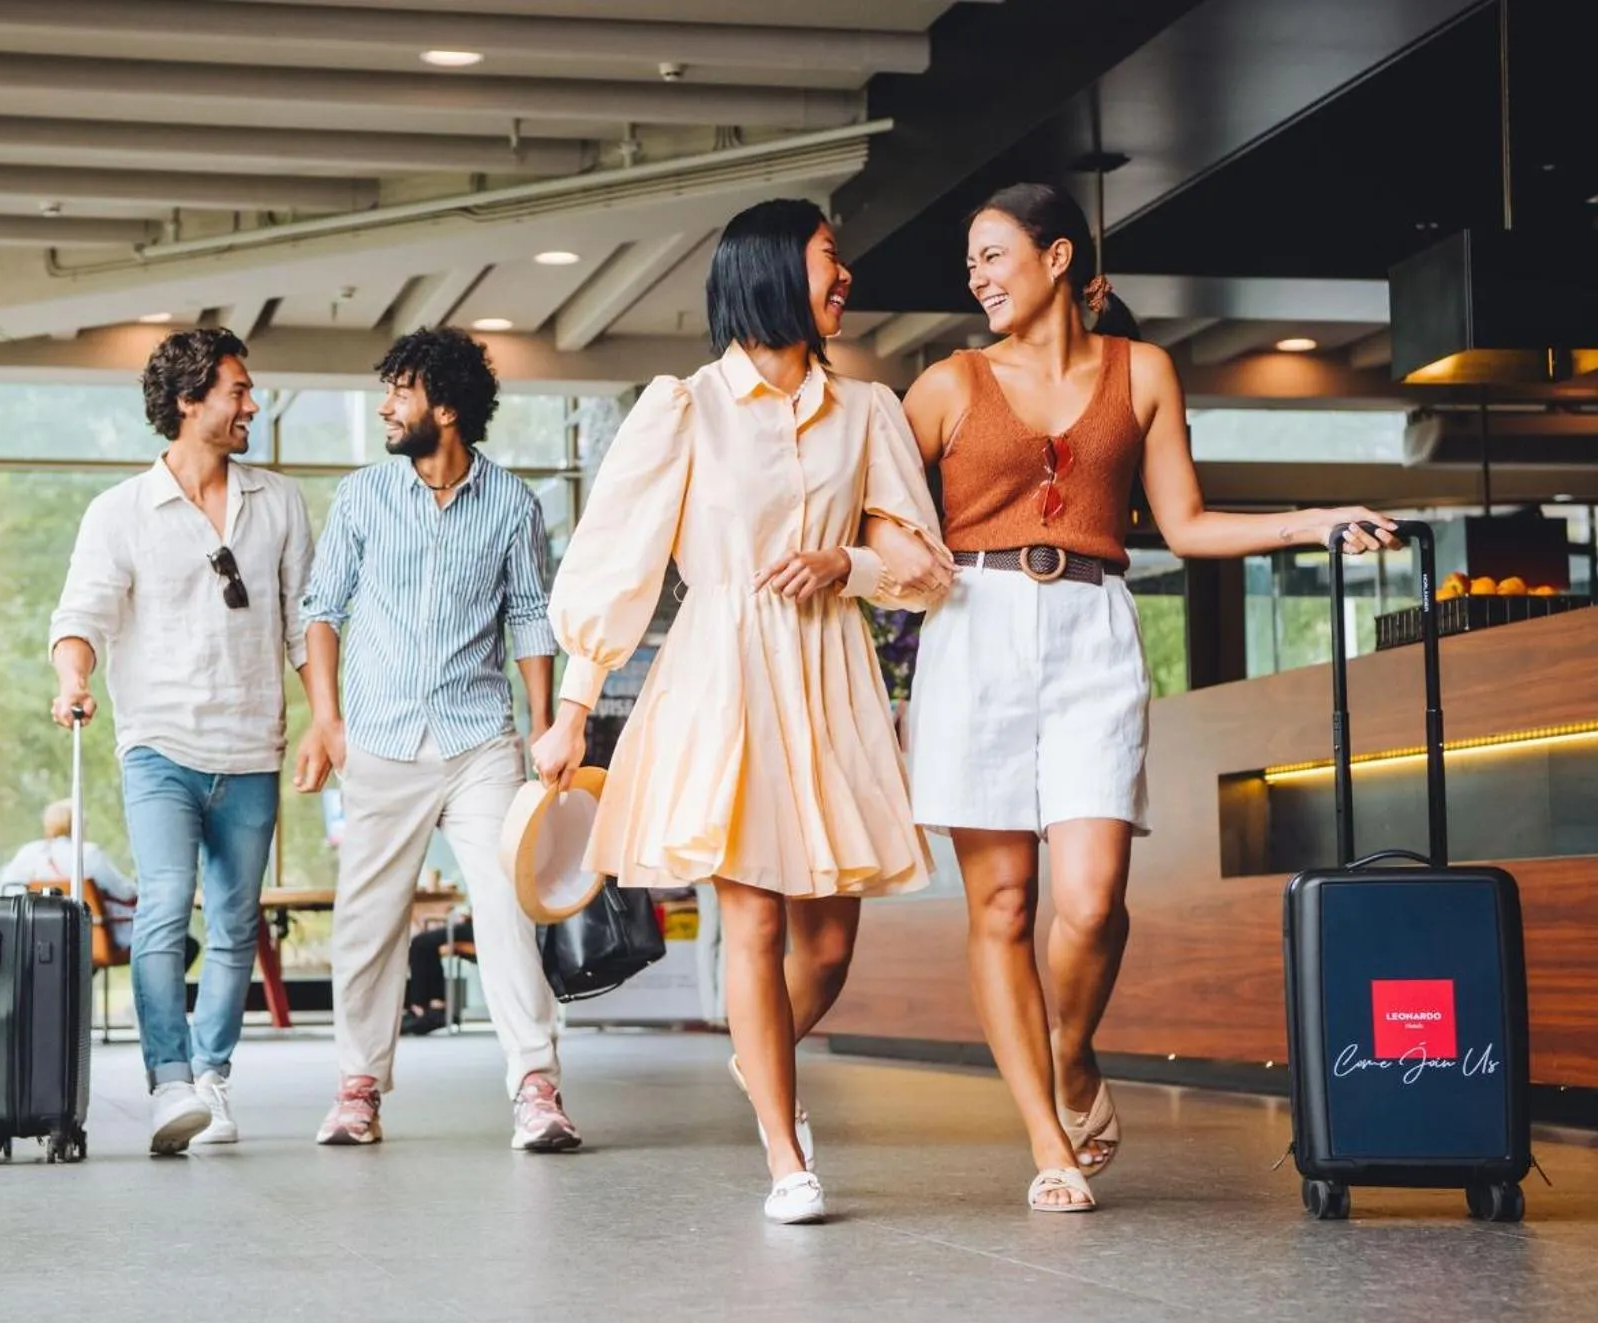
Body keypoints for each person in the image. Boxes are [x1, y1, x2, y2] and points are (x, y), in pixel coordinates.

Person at [889, 182, 1397, 1211]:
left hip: (1091, 626)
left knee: (1089, 899)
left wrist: (1310, 522)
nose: (976, 276)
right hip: (972, 632)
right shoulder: (944, 383)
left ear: (1059, 258)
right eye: (971, 262)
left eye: (994, 255)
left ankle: (1068, 1054)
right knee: (1001, 904)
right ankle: (1047, 1142)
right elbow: (884, 518)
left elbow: (1188, 523)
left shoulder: (1143, 372)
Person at [530, 198, 956, 1223]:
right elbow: (616, 561)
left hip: (829, 681)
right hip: (720, 679)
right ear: (769, 271)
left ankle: (756, 1060)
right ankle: (783, 1155)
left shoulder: (868, 411)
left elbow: (923, 568)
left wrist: (843, 562)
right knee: (753, 923)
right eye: (826, 259)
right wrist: (574, 708)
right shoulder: (683, 407)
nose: (843, 276)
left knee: (829, 948)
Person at [295, 326, 580, 1153]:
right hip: (379, 741)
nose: (386, 406)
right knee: (366, 921)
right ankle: (358, 1087)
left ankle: (536, 1085)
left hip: (478, 741)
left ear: (446, 408)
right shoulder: (361, 497)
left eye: (401, 391)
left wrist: (543, 725)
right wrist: (327, 721)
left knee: (503, 907)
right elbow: (322, 610)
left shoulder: (513, 505)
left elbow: (530, 616)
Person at [49, 326, 318, 1156]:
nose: (252, 404)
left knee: (236, 921)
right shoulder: (121, 512)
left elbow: (307, 625)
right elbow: (80, 616)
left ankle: (213, 1077)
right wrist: (73, 680)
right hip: (159, 744)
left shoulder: (278, 502)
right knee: (166, 904)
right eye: (237, 391)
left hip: (253, 748)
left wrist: (326, 723)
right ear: (187, 401)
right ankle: (168, 1080)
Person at [0, 799, 140, 951]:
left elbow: (7, 889)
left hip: (38, 939)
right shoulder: (88, 853)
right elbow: (124, 892)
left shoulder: (29, 852)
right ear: (78, 824)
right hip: (91, 939)